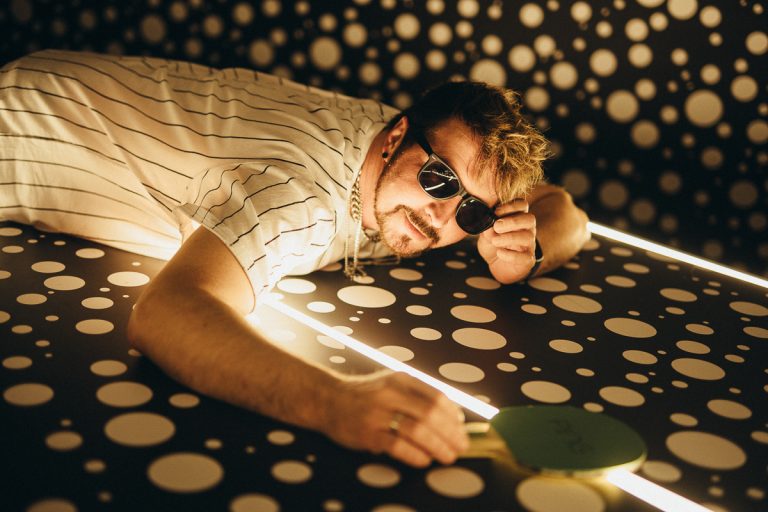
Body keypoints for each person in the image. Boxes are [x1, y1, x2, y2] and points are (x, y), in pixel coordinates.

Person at [0, 49, 589, 468]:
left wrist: (530, 248)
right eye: (440, 180)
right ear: (396, 138)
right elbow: (165, 314)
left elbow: (563, 208)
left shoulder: (403, 143)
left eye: (473, 213)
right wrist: (338, 402)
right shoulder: (302, 197)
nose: (441, 216)